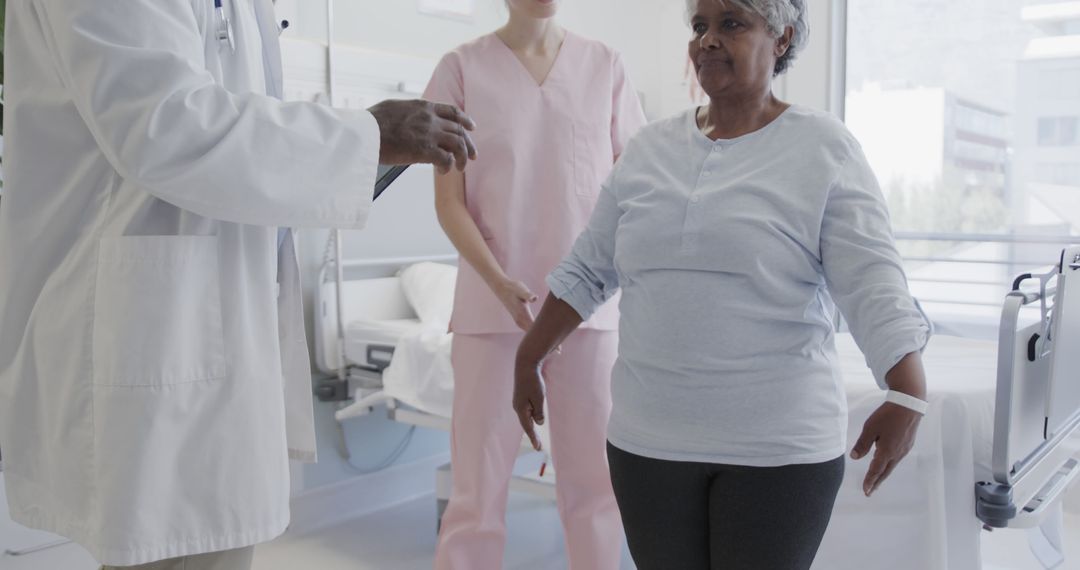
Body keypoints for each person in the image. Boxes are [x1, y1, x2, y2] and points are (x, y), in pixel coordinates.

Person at [0, 1, 476, 568]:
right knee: (174, 545)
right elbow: (165, 123)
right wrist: (369, 133)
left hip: (207, 336)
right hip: (149, 334)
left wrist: (355, 147)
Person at [512, 0, 932, 568]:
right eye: (699, 26)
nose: (707, 39)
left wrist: (908, 391)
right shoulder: (648, 150)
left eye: (731, 23)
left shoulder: (823, 148)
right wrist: (529, 354)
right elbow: (588, 268)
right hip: (647, 444)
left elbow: (872, 281)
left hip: (777, 450)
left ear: (781, 39)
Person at [422, 0, 646, 567]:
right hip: (491, 312)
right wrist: (499, 282)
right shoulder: (460, 69)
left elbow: (636, 191)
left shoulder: (606, 67)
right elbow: (449, 203)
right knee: (475, 496)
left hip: (588, 315)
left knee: (595, 491)